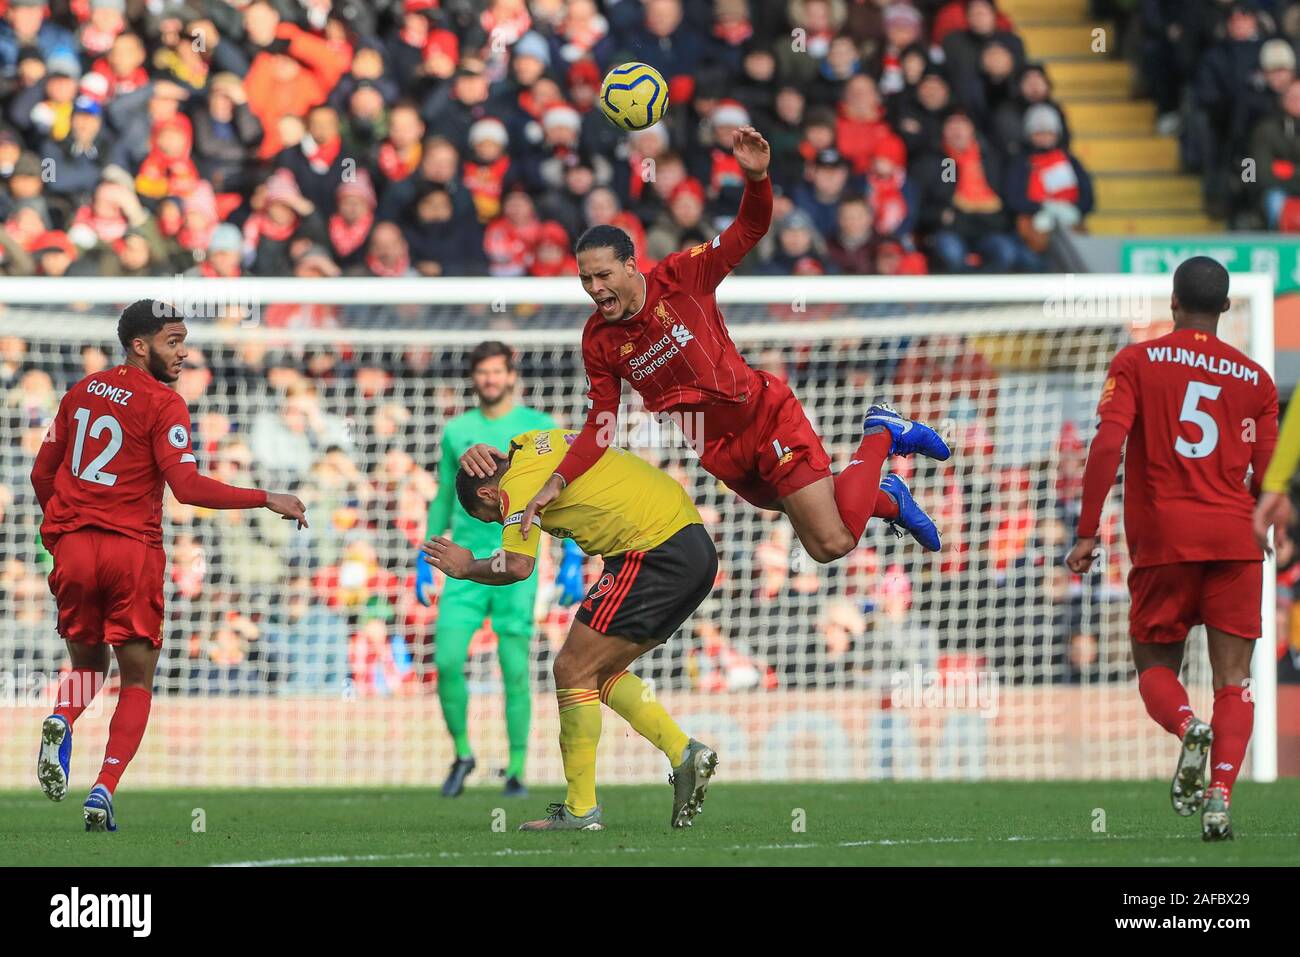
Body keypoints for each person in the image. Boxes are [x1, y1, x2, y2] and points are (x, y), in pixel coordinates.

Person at [461, 126, 949, 567]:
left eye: (603, 274)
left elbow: (749, 230)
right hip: (717, 450)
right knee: (823, 512)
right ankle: (886, 495)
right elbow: (601, 424)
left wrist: (756, 178)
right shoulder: (598, 339)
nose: (594, 287)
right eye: (585, 278)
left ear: (632, 266)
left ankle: (880, 432)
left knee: (830, 543)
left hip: (761, 416)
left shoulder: (683, 277)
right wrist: (557, 480)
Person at [29, 299, 307, 831]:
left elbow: (44, 473)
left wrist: (65, 527)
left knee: (88, 667)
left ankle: (61, 717)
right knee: (136, 679)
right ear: (140, 345)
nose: (183, 353)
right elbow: (187, 487)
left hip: (73, 548)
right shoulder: (163, 403)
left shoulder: (80, 392)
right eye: (172, 342)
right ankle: (103, 789)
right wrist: (265, 496)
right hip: (129, 551)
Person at [1066, 257, 1278, 842]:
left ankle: (1188, 727)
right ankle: (1220, 797)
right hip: (1236, 539)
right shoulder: (1257, 380)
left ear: (1173, 302)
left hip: (1165, 539)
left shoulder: (1137, 360)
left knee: (1156, 667)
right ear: (1227, 309)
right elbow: (1267, 478)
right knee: (1235, 682)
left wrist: (1087, 531)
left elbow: (1109, 443)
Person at [424, 428, 718, 831]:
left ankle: (581, 810)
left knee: (569, 669)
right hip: (692, 542)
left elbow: (517, 565)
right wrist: (477, 450)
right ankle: (684, 754)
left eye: (491, 518)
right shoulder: (529, 443)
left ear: (489, 497)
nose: (498, 523)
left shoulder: (514, 487)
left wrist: (466, 567)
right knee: (597, 671)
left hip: (651, 551)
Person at [417, 341, 555, 798]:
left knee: (514, 667)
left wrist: (573, 559)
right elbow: (442, 494)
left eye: (498, 371)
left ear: (511, 374)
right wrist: (425, 557)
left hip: (518, 561)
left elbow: (564, 488)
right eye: (483, 372)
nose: (491, 379)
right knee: (447, 659)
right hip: (464, 565)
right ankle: (462, 754)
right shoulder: (458, 430)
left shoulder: (537, 428)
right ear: (475, 377)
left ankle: (516, 769)